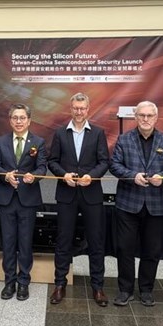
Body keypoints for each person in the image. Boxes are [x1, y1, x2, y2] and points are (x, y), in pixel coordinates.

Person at [109, 100, 163, 307]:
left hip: (157, 205)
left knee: (152, 250)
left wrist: (162, 177)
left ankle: (147, 290)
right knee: (125, 248)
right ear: (136, 117)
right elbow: (115, 165)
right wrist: (132, 176)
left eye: (149, 116)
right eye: (142, 115)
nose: (145, 119)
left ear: (156, 118)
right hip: (128, 203)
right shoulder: (124, 140)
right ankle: (125, 289)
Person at [48, 92, 110, 307]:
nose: (79, 111)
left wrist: (91, 176)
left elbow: (104, 162)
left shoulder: (98, 133)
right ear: (70, 108)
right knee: (63, 240)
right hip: (66, 194)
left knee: (96, 241)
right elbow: (52, 161)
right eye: (75, 107)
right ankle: (59, 284)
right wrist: (62, 174)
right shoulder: (59, 133)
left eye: (82, 108)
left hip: (91, 194)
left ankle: (98, 287)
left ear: (88, 109)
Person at [0, 103, 48, 301]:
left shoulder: (38, 142)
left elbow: (43, 167)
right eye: (15, 118)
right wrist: (5, 176)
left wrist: (34, 175)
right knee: (7, 242)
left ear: (29, 120)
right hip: (6, 198)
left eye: (22, 118)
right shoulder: (1, 141)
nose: (18, 121)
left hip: (28, 199)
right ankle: (9, 282)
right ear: (10, 120)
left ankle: (23, 282)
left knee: (25, 242)